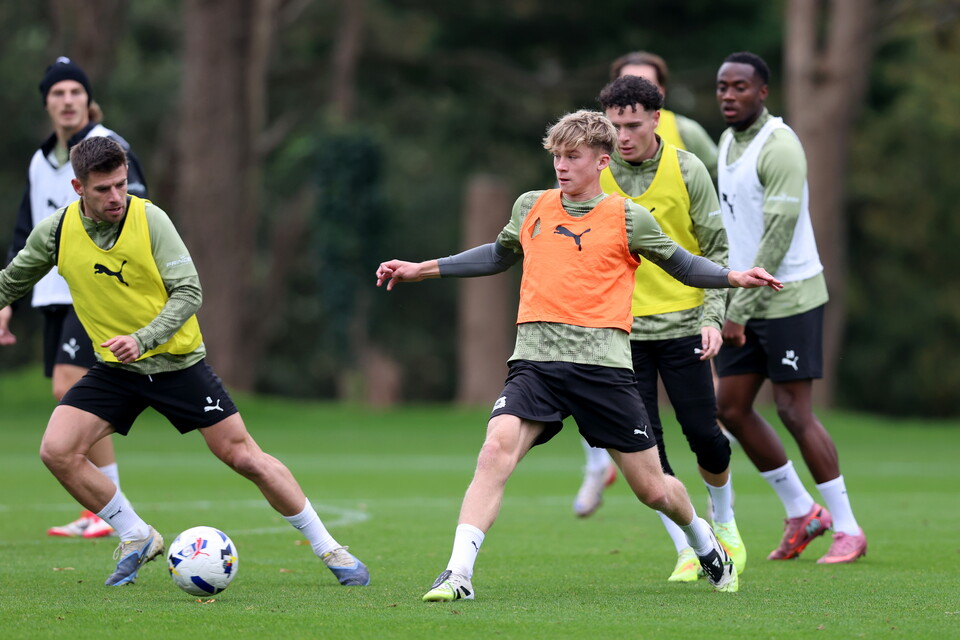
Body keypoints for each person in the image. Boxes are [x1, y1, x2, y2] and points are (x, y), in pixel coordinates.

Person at [377, 109, 784, 600]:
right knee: (494, 451)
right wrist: (422, 268)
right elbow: (497, 254)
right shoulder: (532, 205)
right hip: (535, 365)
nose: (562, 167)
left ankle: (705, 542)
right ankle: (458, 574)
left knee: (653, 490)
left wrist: (734, 276)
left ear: (602, 161)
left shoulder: (628, 216)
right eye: (556, 157)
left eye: (573, 157)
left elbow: (683, 264)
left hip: (604, 371)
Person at [0, 136, 370, 587]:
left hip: (177, 364)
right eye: (103, 189)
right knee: (57, 451)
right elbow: (11, 282)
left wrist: (143, 338)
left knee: (244, 457)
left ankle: (330, 548)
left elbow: (190, 291)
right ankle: (137, 535)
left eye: (120, 184)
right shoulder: (56, 232)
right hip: (115, 372)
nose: (117, 197)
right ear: (78, 187)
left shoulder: (150, 218)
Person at [573, 75, 744, 583]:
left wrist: (712, 318)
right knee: (645, 450)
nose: (622, 135)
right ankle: (691, 548)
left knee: (704, 436)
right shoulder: (595, 174)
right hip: (621, 335)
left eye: (632, 124)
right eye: (614, 126)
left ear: (655, 119)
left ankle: (726, 523)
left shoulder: (688, 168)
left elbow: (714, 251)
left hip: (685, 324)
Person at [714, 51, 867, 564]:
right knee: (730, 408)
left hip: (790, 298)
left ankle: (847, 528)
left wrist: (739, 310)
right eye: (722, 87)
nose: (729, 96)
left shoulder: (780, 147)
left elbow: (777, 238)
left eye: (740, 87)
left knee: (793, 412)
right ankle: (803, 512)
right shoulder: (726, 142)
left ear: (763, 93)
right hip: (746, 301)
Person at [0, 57, 149, 539]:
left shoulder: (110, 147)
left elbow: (139, 214)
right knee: (65, 390)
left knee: (71, 388)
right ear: (46, 103)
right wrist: (8, 300)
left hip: (97, 290)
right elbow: (26, 236)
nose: (67, 101)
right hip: (52, 294)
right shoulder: (41, 160)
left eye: (75, 93)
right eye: (57, 94)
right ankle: (105, 509)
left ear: (88, 100)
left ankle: (107, 509)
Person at [611, 51, 718, 180]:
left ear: (662, 90)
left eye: (646, 85)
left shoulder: (686, 131)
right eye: (627, 85)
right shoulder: (597, 134)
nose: (635, 93)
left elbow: (720, 175)